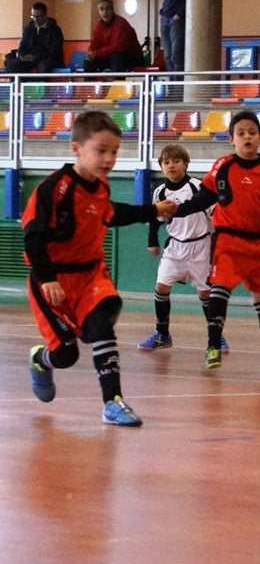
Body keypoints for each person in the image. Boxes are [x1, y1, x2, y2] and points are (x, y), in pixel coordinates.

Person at [24, 110, 178, 426]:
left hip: (92, 274)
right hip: (53, 281)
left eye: (115, 152)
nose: (109, 158)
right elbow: (33, 236)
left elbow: (111, 214)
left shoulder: (101, 188)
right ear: (77, 148)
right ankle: (41, 360)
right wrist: (47, 277)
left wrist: (153, 210)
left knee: (102, 325)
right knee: (66, 356)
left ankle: (113, 402)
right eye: (101, 150)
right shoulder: (55, 189)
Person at [174, 110, 260, 374]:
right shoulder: (222, 167)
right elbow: (203, 197)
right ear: (231, 139)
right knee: (220, 287)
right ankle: (213, 346)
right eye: (241, 133)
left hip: (259, 244)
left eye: (252, 132)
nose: (247, 137)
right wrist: (178, 210)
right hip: (228, 239)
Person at [137, 143, 228, 353]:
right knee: (161, 287)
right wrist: (152, 240)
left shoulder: (198, 187)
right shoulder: (160, 192)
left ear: (185, 164)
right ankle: (162, 334)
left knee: (206, 294)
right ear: (161, 167)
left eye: (176, 161)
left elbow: (215, 213)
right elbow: (156, 219)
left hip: (200, 247)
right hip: (175, 248)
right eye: (166, 162)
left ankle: (217, 336)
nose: (171, 166)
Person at [85, 0, 144, 74]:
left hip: (132, 57)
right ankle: (91, 85)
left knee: (117, 56)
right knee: (88, 61)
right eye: (101, 9)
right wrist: (90, 53)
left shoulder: (121, 23)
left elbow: (118, 47)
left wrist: (97, 53)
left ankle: (118, 84)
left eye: (108, 9)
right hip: (111, 56)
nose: (104, 12)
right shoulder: (99, 26)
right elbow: (94, 44)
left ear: (112, 10)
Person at [6, 1, 64, 75]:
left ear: (45, 15)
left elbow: (55, 51)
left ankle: (39, 85)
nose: (36, 20)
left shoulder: (55, 30)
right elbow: (22, 46)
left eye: (39, 17)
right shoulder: (29, 29)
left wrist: (36, 56)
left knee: (44, 66)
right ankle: (24, 84)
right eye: (33, 16)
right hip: (30, 58)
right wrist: (22, 56)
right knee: (12, 65)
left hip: (47, 58)